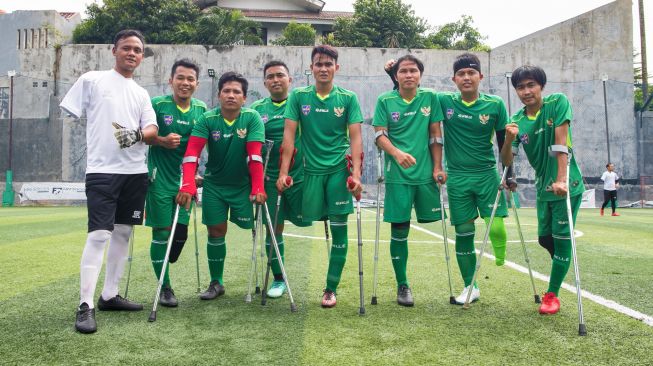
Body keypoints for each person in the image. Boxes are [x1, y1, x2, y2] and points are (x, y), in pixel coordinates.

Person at [60, 29, 159, 334]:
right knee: (100, 235)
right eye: (127, 48)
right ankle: (85, 305)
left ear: (142, 56)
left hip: (135, 172)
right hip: (102, 171)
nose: (132, 53)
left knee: (123, 233)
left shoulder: (141, 93)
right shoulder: (92, 80)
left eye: (138, 50)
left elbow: (152, 128)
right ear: (113, 50)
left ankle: (109, 295)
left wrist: (139, 135)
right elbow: (71, 110)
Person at [277, 45, 364, 308]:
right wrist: (283, 173)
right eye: (318, 64)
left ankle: (330, 288)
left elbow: (356, 138)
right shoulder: (299, 97)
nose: (323, 68)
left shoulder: (348, 98)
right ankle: (279, 280)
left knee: (339, 231)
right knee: (295, 222)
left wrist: (357, 175)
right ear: (311, 68)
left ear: (337, 68)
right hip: (309, 173)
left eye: (328, 64)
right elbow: (288, 138)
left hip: (338, 173)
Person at [501, 65, 585, 315]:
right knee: (544, 239)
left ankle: (552, 294)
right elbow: (507, 160)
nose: (526, 91)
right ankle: (562, 259)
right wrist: (507, 139)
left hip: (565, 184)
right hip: (542, 186)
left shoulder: (557, 103)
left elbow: (561, 144)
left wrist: (561, 179)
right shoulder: (516, 120)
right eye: (520, 87)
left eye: (531, 85)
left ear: (541, 86)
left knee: (560, 240)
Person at [176, 72, 266, 301]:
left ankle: (264, 279)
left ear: (244, 98)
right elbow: (191, 154)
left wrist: (258, 187)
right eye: (226, 91)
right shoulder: (207, 119)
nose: (231, 95)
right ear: (218, 95)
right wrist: (187, 184)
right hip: (215, 184)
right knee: (216, 231)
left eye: (237, 92)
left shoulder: (252, 117)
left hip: (242, 186)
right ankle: (216, 282)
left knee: (251, 230)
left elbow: (255, 156)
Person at [437, 53, 512, 305]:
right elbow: (411, 96)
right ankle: (471, 286)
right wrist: (393, 76)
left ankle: (500, 257)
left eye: (471, 73)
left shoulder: (495, 104)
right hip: (457, 178)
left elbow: (503, 140)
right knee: (464, 232)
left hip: (487, 175)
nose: (466, 77)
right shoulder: (443, 101)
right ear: (454, 79)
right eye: (461, 74)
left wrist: (508, 175)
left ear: (481, 76)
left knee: (498, 225)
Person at [372, 55, 445, 307]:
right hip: (398, 176)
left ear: (420, 75)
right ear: (396, 76)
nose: (409, 75)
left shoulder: (430, 98)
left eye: (413, 70)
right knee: (400, 230)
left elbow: (435, 134)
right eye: (403, 71)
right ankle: (402, 285)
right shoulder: (385, 100)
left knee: (444, 224)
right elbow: (380, 135)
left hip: (426, 175)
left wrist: (438, 166)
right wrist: (397, 153)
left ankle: (469, 284)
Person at [146, 59, 207, 307]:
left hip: (185, 180)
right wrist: (161, 140)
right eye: (180, 78)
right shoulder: (157, 105)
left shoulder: (202, 109)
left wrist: (195, 176)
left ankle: (165, 266)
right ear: (171, 80)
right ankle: (165, 288)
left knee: (178, 237)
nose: (185, 83)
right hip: (160, 178)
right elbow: (144, 135)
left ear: (197, 84)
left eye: (190, 79)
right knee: (161, 232)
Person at [250, 60, 311, 299]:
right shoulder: (257, 109)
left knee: (316, 218)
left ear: (290, 80)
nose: (276, 80)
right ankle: (278, 278)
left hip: (301, 176)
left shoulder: (301, 104)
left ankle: (330, 283)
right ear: (265, 82)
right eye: (270, 76)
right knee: (274, 229)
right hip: (269, 177)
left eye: (280, 75)